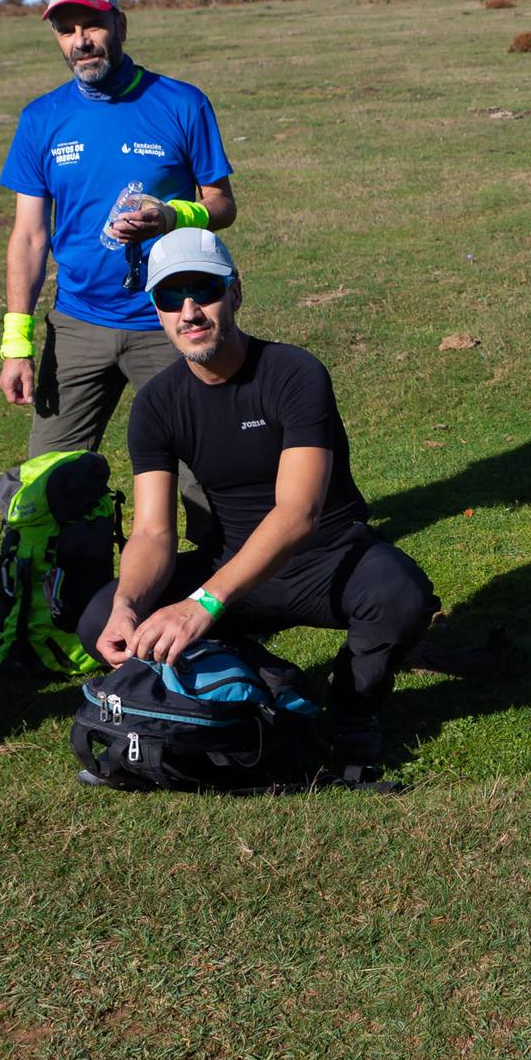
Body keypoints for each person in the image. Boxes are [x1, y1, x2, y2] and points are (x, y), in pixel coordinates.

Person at [76, 229, 437, 781]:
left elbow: (298, 514)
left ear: (236, 293)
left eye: (204, 291)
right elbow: (151, 533)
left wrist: (202, 604)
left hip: (325, 560)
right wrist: (129, 603)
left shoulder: (293, 373)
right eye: (171, 297)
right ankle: (264, 679)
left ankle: (352, 708)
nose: (190, 312)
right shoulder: (156, 403)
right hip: (232, 566)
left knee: (400, 594)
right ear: (157, 310)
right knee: (102, 616)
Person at [0, 0, 235, 541]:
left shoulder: (180, 102)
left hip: (172, 320)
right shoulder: (41, 118)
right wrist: (16, 343)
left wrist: (172, 216)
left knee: (205, 474)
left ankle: (226, 576)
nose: (81, 40)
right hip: (78, 325)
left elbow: (222, 204)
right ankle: (61, 585)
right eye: (67, 30)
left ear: (120, 26)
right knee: (47, 481)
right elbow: (28, 237)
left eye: (93, 25)